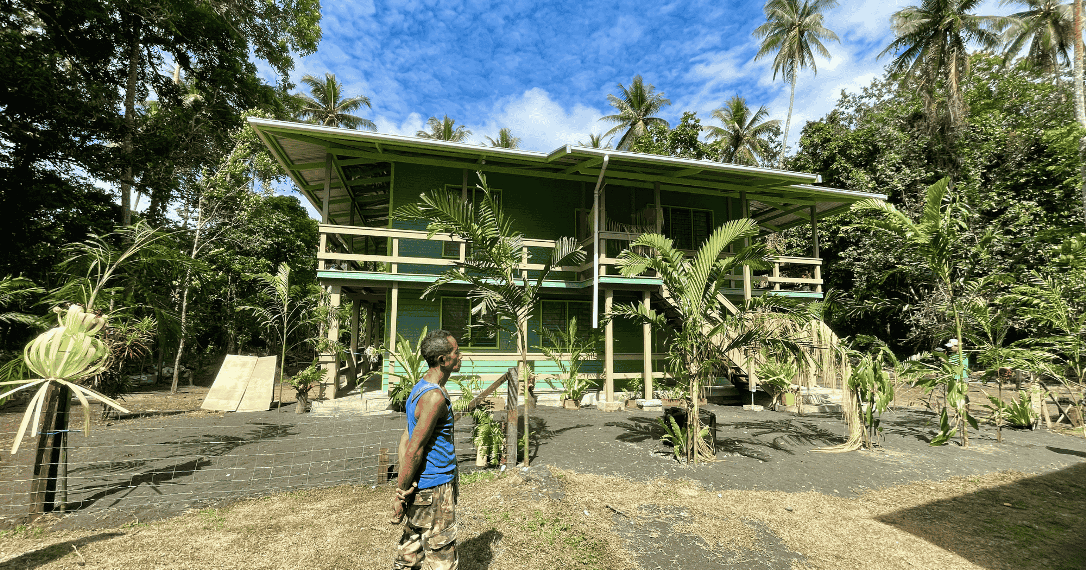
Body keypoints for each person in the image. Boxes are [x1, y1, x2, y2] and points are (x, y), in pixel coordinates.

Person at [390, 329, 462, 570]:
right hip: (435, 489)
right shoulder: (434, 397)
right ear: (443, 360)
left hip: (421, 488)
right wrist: (401, 492)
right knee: (441, 557)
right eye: (456, 352)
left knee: (411, 549)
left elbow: (405, 438)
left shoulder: (420, 388)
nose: (460, 356)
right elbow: (415, 449)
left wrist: (405, 487)